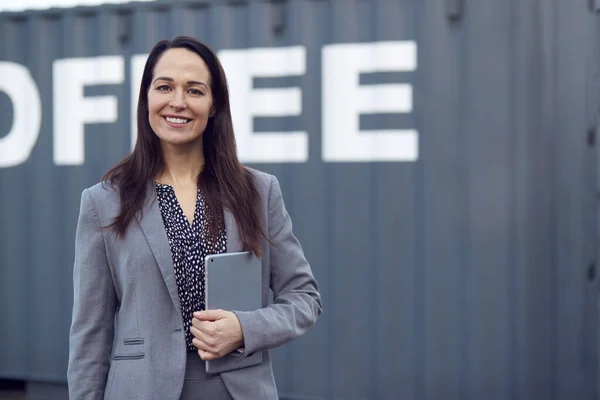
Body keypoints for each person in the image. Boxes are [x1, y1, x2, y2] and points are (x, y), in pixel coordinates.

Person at [67, 36, 322, 400]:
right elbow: (90, 334)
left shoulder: (258, 192)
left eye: (195, 90)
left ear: (214, 104)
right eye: (165, 87)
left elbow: (304, 297)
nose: (178, 102)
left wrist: (244, 328)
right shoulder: (103, 202)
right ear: (147, 98)